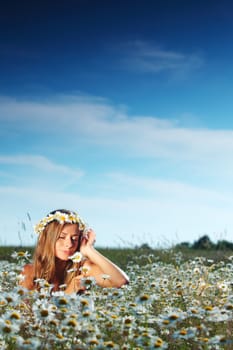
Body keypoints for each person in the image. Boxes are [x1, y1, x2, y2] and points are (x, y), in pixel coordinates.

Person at [20, 209, 129, 294]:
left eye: (75, 238)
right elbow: (27, 318)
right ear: (47, 239)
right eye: (61, 237)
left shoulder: (83, 269)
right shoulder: (30, 272)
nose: (69, 244)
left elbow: (121, 282)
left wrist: (89, 250)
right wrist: (68, 295)